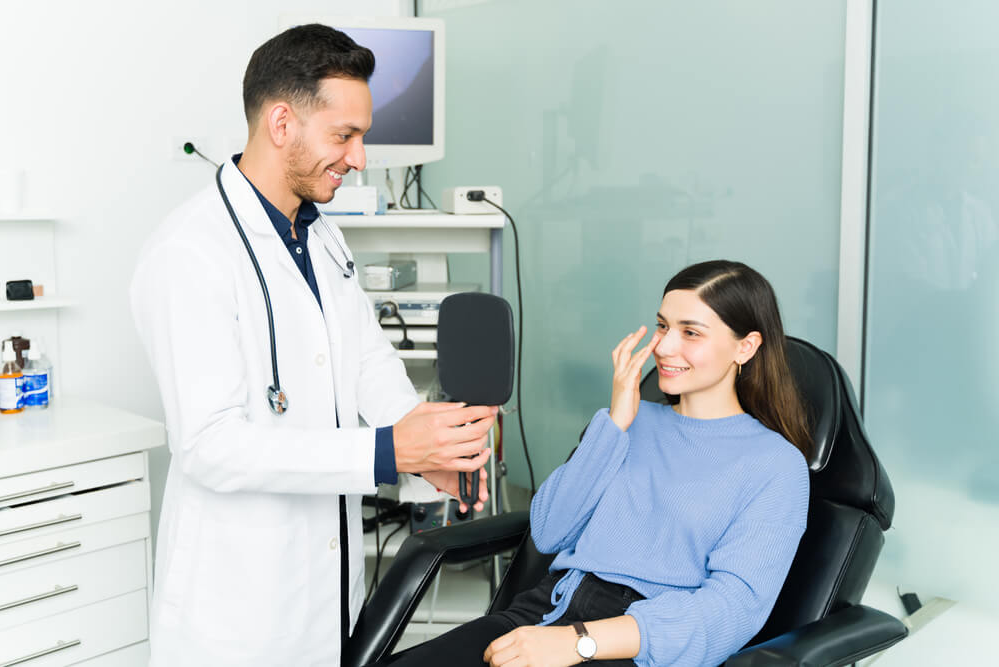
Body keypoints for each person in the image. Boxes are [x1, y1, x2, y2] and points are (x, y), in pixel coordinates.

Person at [130, 24, 495, 666]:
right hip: (236, 614)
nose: (359, 157)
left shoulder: (320, 234)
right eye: (344, 136)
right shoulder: (189, 252)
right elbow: (208, 444)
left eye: (362, 136)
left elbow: (364, 361)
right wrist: (386, 450)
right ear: (281, 124)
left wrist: (422, 447)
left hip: (325, 595)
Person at [378, 260, 812, 667]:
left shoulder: (775, 465)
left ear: (746, 346)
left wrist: (578, 642)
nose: (663, 346)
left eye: (691, 332)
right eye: (662, 326)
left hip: (638, 647)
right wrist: (616, 422)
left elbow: (731, 610)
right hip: (544, 611)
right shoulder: (628, 424)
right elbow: (549, 532)